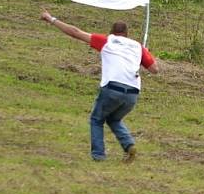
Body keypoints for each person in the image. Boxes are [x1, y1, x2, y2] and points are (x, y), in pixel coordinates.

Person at [38, 10, 158, 162]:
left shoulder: (107, 41)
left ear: (112, 32)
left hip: (113, 87)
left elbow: (75, 32)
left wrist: (51, 19)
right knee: (114, 119)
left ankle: (98, 156)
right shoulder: (137, 47)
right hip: (132, 93)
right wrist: (144, 53)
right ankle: (129, 145)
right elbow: (155, 69)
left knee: (97, 119)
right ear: (127, 34)